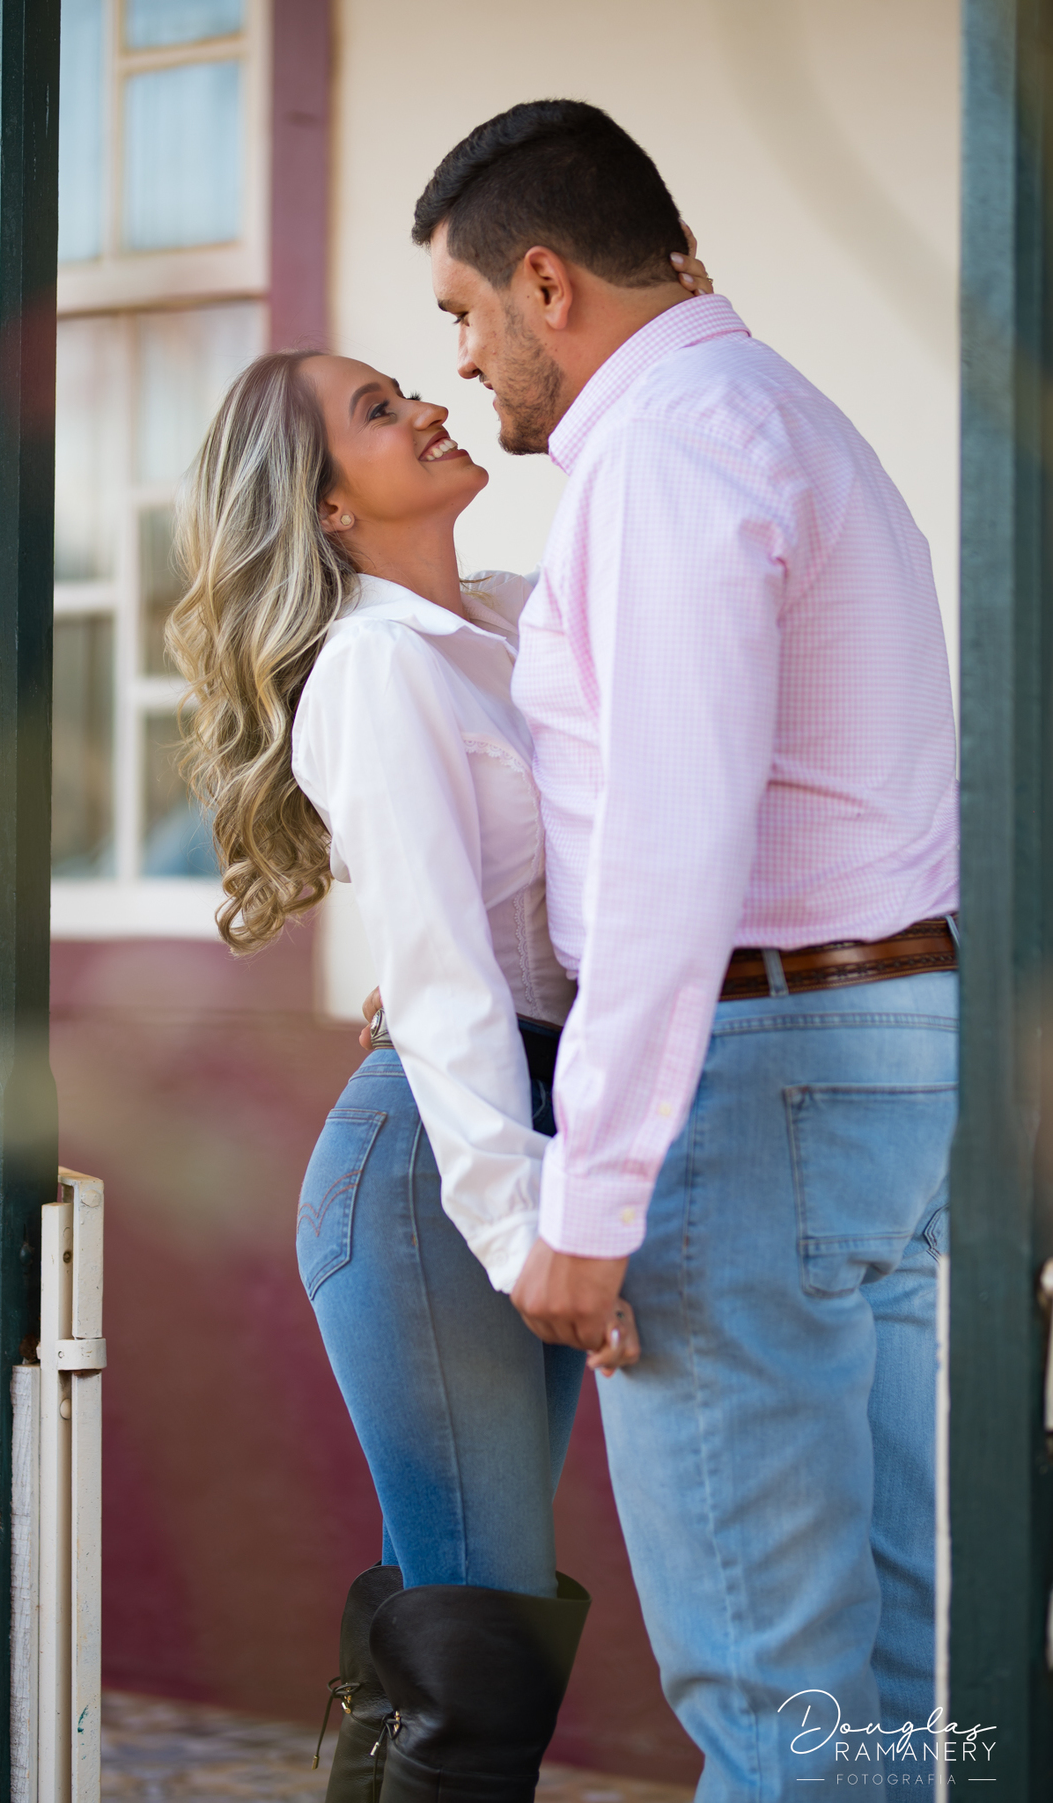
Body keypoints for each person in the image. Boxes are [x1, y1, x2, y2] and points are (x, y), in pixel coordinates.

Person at [409, 101, 959, 1803]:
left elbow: (669, 846)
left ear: (546, 282)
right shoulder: (783, 413)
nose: (462, 359)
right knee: (897, 1671)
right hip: (889, 1056)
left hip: (758, 1079)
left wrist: (590, 1202)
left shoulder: (660, 453)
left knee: (776, 1696)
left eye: (463, 311)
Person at [166, 243, 710, 1803]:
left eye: (407, 386)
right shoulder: (374, 671)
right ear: (330, 511)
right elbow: (453, 985)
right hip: (436, 1173)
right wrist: (525, 1229)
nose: (424, 408)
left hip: (523, 1131)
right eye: (376, 411)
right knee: (482, 1655)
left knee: (464, 1629)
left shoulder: (511, 626)